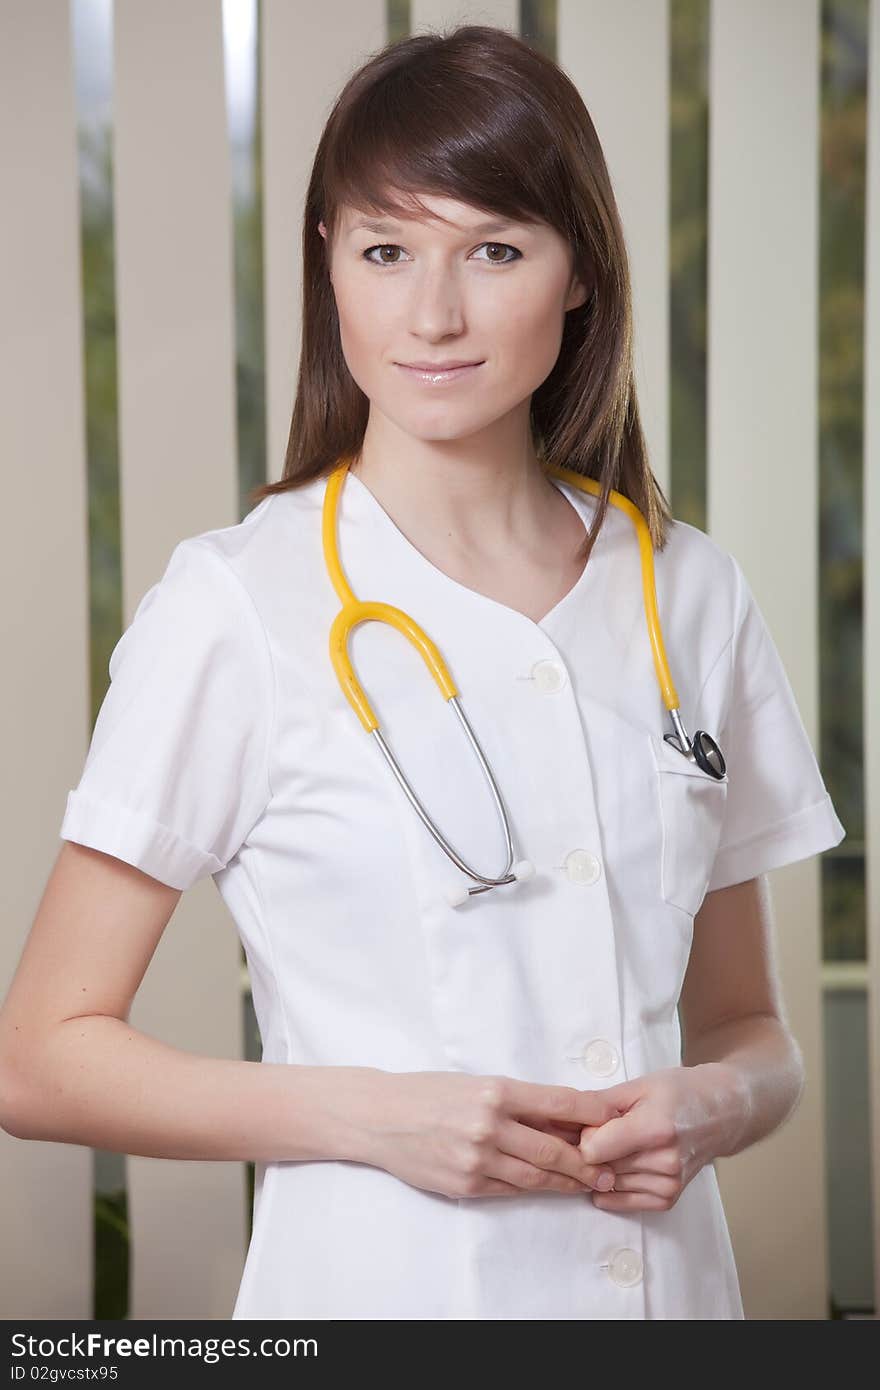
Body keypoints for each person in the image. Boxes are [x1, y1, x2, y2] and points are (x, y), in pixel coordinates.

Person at [0, 24, 845, 1320]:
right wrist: (377, 1117)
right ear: (328, 262)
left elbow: (755, 1030)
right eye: (386, 250)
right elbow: (39, 1058)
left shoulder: (689, 593)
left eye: (495, 250)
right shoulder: (239, 604)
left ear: (577, 276)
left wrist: (712, 1101)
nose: (432, 313)